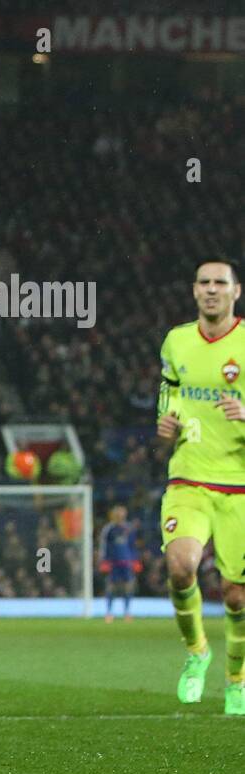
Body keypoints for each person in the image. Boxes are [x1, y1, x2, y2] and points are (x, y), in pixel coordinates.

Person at [155, 259, 245, 715]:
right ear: (194, 291)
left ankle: (236, 678)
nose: (212, 290)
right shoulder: (177, 340)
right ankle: (196, 653)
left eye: (220, 283)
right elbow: (169, 391)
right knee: (180, 565)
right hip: (188, 475)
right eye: (204, 283)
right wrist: (164, 422)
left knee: (235, 594)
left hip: (241, 486)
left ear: (236, 291)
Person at [98, 504, 140, 623]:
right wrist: (104, 561)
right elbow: (104, 546)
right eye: (118, 513)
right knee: (111, 587)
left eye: (122, 513)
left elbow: (132, 546)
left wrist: (135, 560)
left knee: (128, 587)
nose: (120, 515)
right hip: (113, 562)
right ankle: (109, 613)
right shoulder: (109, 529)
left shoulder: (129, 528)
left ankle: (127, 612)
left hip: (126, 562)